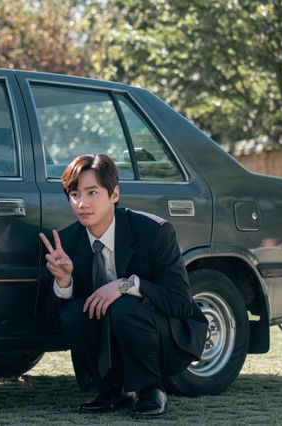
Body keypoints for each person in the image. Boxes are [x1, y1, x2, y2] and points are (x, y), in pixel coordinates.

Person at [39, 154, 208, 419]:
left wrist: (126, 285)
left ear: (114, 194)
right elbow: (55, 317)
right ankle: (112, 390)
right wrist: (64, 281)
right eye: (74, 194)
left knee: (124, 306)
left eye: (92, 192)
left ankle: (152, 390)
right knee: (73, 313)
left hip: (164, 334)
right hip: (111, 334)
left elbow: (181, 303)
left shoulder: (153, 232)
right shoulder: (67, 241)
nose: (82, 203)